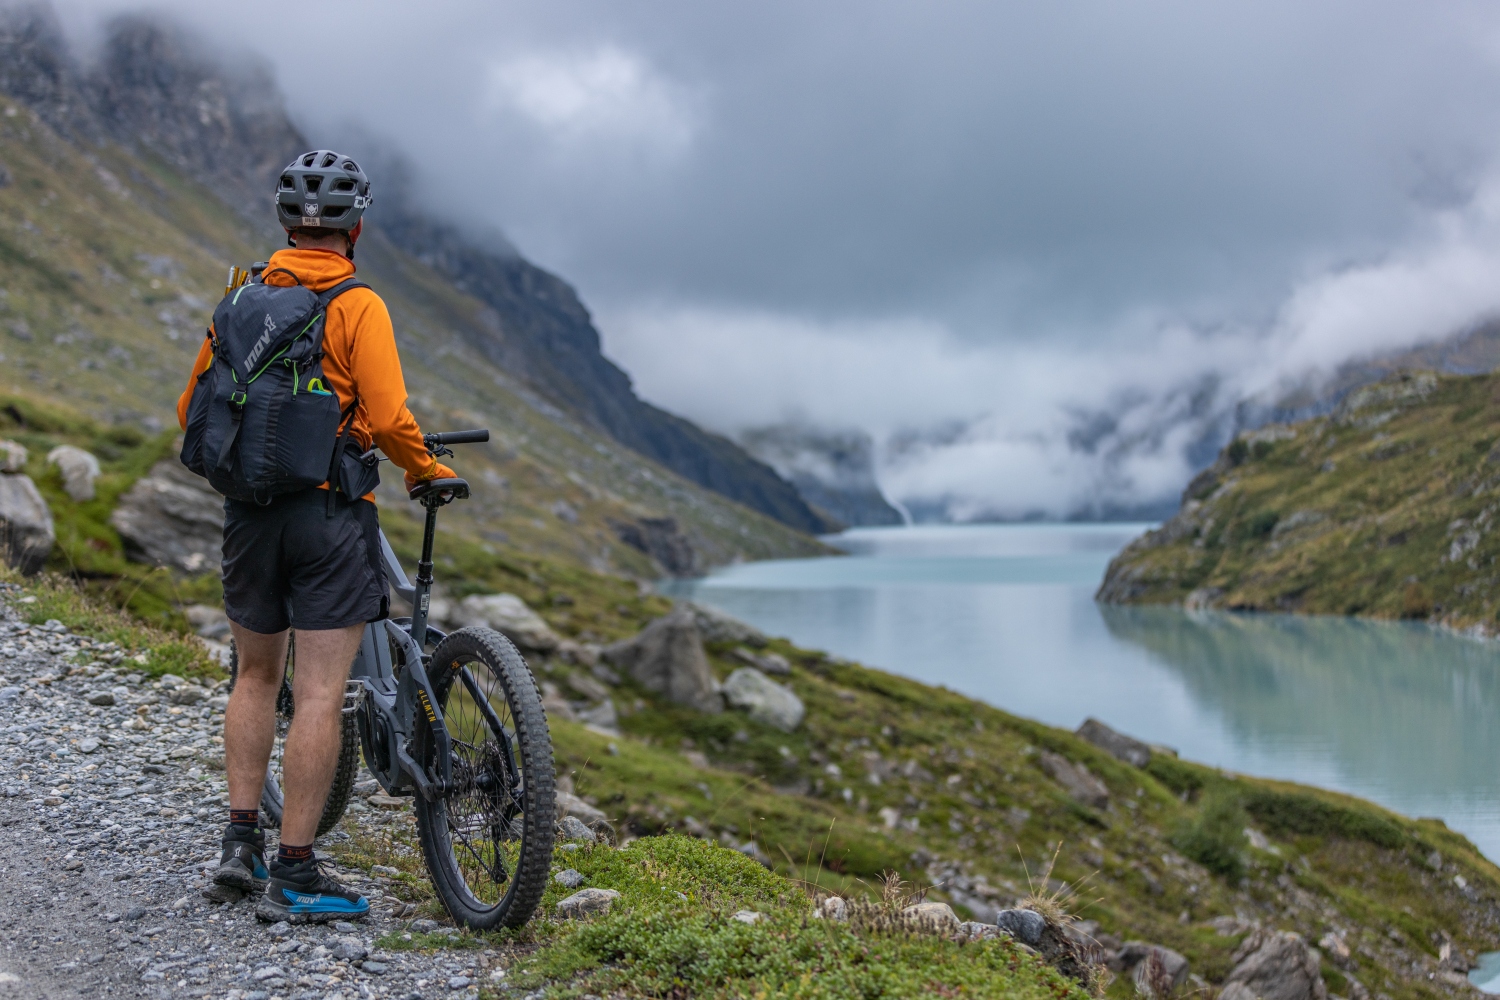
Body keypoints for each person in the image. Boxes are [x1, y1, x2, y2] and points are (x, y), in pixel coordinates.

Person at [175, 149, 455, 923]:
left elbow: (189, 410)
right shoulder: (358, 303)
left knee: (257, 677)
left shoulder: (243, 297)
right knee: (324, 692)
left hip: (248, 515)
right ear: (355, 227)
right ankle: (294, 873)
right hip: (327, 513)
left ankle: (239, 844)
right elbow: (392, 416)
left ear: (284, 224)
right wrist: (423, 469)